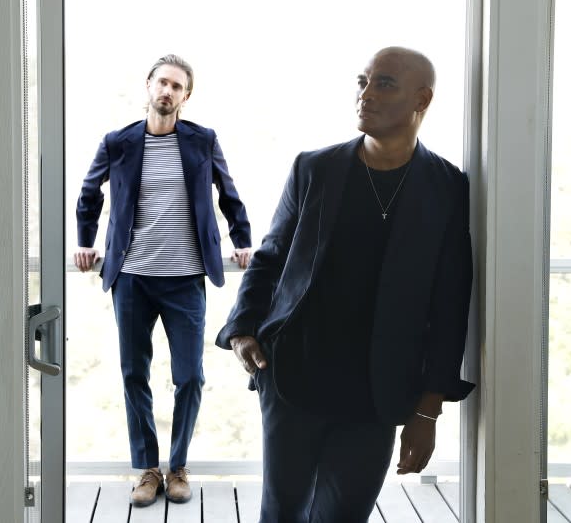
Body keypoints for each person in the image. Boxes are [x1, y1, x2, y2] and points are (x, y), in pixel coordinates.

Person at [216, 46, 474, 522]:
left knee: (344, 515)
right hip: (293, 373)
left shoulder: (446, 188)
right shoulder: (314, 168)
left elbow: (450, 301)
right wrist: (242, 330)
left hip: (378, 391)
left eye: (384, 84)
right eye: (363, 81)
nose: (366, 94)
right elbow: (270, 259)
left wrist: (428, 411)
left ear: (423, 98)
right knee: (282, 512)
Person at [74, 54, 252, 508]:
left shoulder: (202, 141)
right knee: (134, 374)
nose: (167, 91)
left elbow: (228, 193)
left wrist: (243, 239)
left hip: (185, 279)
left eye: (177, 86)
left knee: (189, 376)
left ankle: (178, 466)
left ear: (186, 96)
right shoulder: (118, 142)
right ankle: (148, 470)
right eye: (162, 83)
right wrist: (86, 241)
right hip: (131, 278)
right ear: (148, 87)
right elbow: (88, 194)